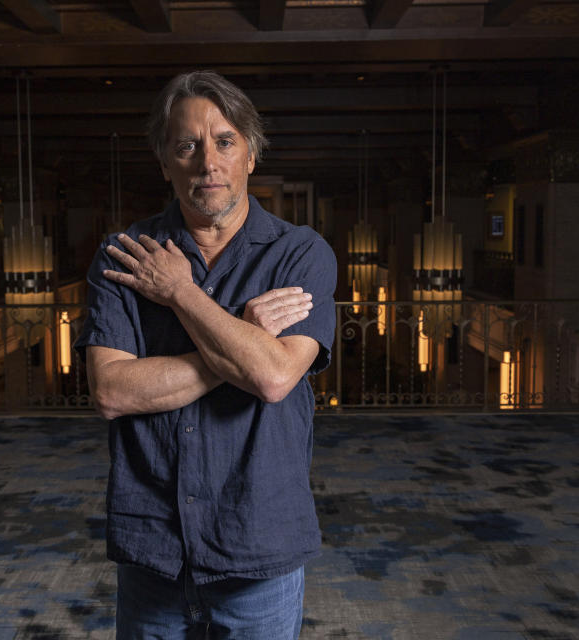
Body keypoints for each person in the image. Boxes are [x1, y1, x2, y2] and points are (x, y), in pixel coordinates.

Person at [75, 70, 337, 639]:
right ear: (165, 161)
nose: (206, 162)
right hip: (154, 548)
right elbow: (113, 391)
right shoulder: (126, 257)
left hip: (258, 546)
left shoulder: (301, 253)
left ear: (250, 155)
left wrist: (179, 293)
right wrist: (241, 337)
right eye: (186, 145)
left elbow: (271, 379)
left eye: (224, 141)